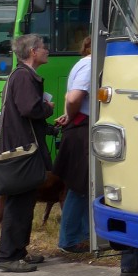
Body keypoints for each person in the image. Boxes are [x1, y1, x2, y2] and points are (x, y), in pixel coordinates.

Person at [0, 34, 54, 273]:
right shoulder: (23, 77)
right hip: (22, 153)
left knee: (24, 204)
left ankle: (19, 252)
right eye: (43, 48)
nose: (47, 51)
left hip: (23, 149)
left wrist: (48, 127)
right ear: (32, 52)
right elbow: (29, 109)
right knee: (18, 206)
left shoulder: (21, 75)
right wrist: (47, 109)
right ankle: (8, 256)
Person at [53, 35, 91, 253]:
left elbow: (70, 97)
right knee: (79, 186)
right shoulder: (89, 66)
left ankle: (85, 234)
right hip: (81, 129)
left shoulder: (80, 64)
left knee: (84, 185)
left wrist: (68, 115)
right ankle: (68, 239)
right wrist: (72, 115)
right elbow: (74, 98)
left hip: (78, 127)